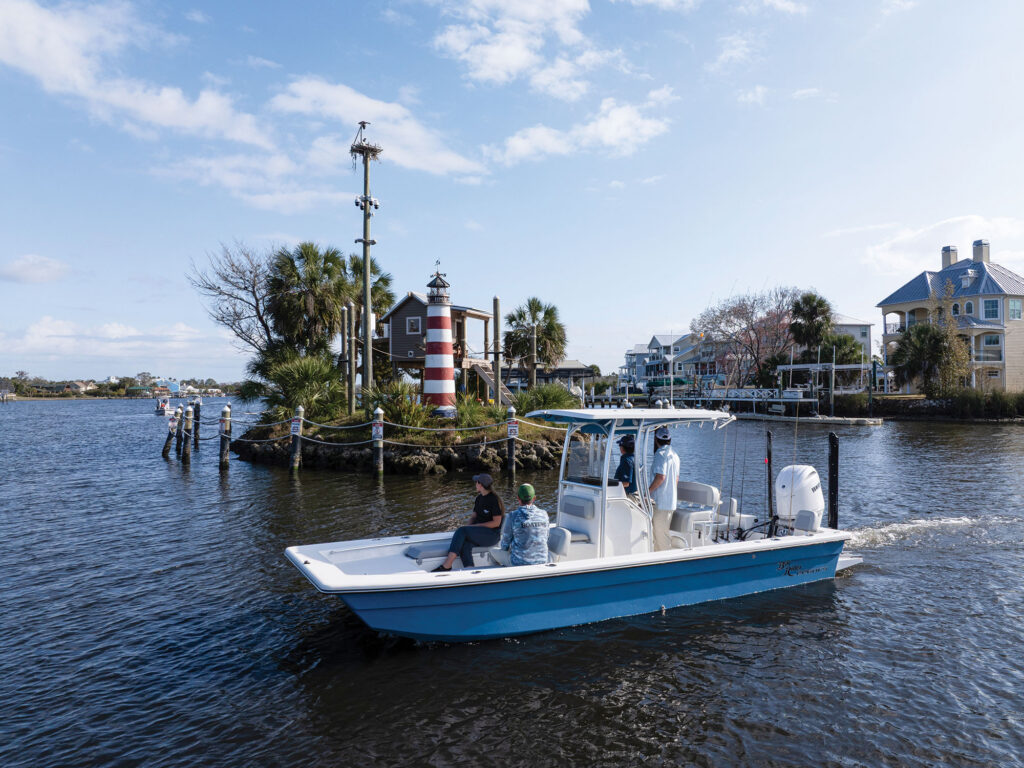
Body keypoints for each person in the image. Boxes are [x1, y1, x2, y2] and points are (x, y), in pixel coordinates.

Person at [433, 473, 505, 572]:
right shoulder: (479, 498)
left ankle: (447, 565)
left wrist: (474, 527)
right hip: (479, 532)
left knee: (462, 531)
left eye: (476, 482)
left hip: (492, 535)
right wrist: (469, 528)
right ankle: (469, 569)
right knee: (465, 541)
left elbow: (496, 523)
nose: (475, 484)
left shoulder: (494, 500)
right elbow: (473, 517)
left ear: (480, 484)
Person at [498, 484, 550, 566]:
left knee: (491, 552)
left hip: (519, 563)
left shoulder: (512, 516)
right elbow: (546, 537)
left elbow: (504, 546)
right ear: (534, 498)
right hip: (543, 560)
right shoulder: (544, 514)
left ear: (518, 498)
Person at [647, 426, 680, 551]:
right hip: (670, 502)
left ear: (656, 440)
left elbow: (660, 477)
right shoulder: (675, 455)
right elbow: (675, 480)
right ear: (669, 440)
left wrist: (647, 492)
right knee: (660, 534)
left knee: (660, 537)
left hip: (660, 503)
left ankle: (665, 564)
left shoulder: (660, 454)